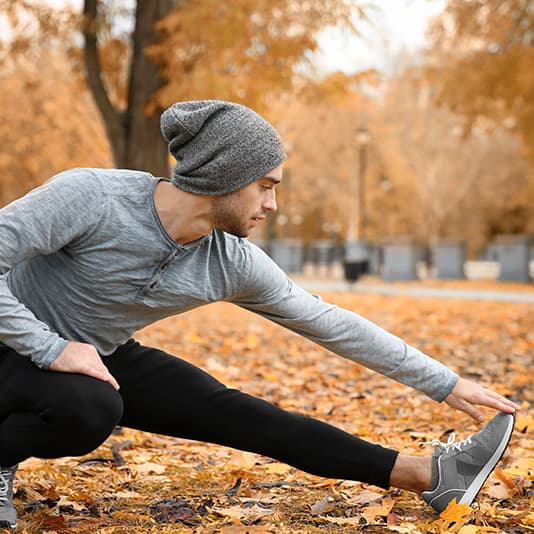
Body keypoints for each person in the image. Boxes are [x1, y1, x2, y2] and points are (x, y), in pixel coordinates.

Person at [0, 100, 519, 529]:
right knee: (90, 408)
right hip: (13, 345)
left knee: (240, 413)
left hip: (97, 351)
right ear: (224, 176)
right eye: (266, 186)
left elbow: (329, 321)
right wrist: (51, 347)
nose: (272, 205)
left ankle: (433, 476)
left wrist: (447, 384)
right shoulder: (91, 197)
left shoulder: (230, 259)